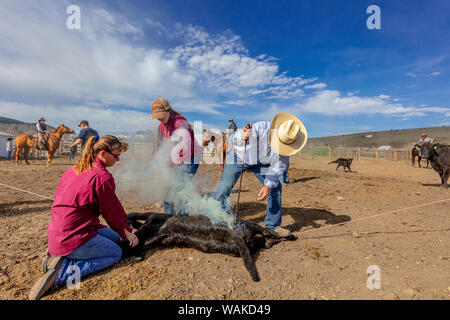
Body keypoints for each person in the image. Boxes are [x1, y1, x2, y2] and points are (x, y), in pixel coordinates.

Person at [28, 135, 138, 300]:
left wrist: (122, 231)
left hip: (63, 230)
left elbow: (111, 206)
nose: (118, 159)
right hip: (74, 235)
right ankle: (62, 271)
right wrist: (126, 232)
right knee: (115, 253)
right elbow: (111, 212)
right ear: (102, 153)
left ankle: (58, 254)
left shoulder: (74, 169)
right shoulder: (103, 177)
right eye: (116, 155)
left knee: (114, 238)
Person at [213, 112, 307, 237]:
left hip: (260, 164)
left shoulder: (285, 151)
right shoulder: (259, 128)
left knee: (275, 187)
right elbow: (232, 139)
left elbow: (277, 168)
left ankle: (273, 226)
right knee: (223, 188)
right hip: (239, 158)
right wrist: (242, 136)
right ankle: (217, 220)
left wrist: (267, 185)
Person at [152, 97, 202, 215]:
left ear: (168, 111)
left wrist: (169, 166)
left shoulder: (180, 123)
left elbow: (185, 151)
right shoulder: (161, 126)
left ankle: (181, 219)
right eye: (156, 116)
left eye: (161, 115)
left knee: (180, 188)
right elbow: (161, 145)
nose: (159, 118)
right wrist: (158, 158)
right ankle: (168, 217)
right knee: (167, 187)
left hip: (191, 157)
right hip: (175, 158)